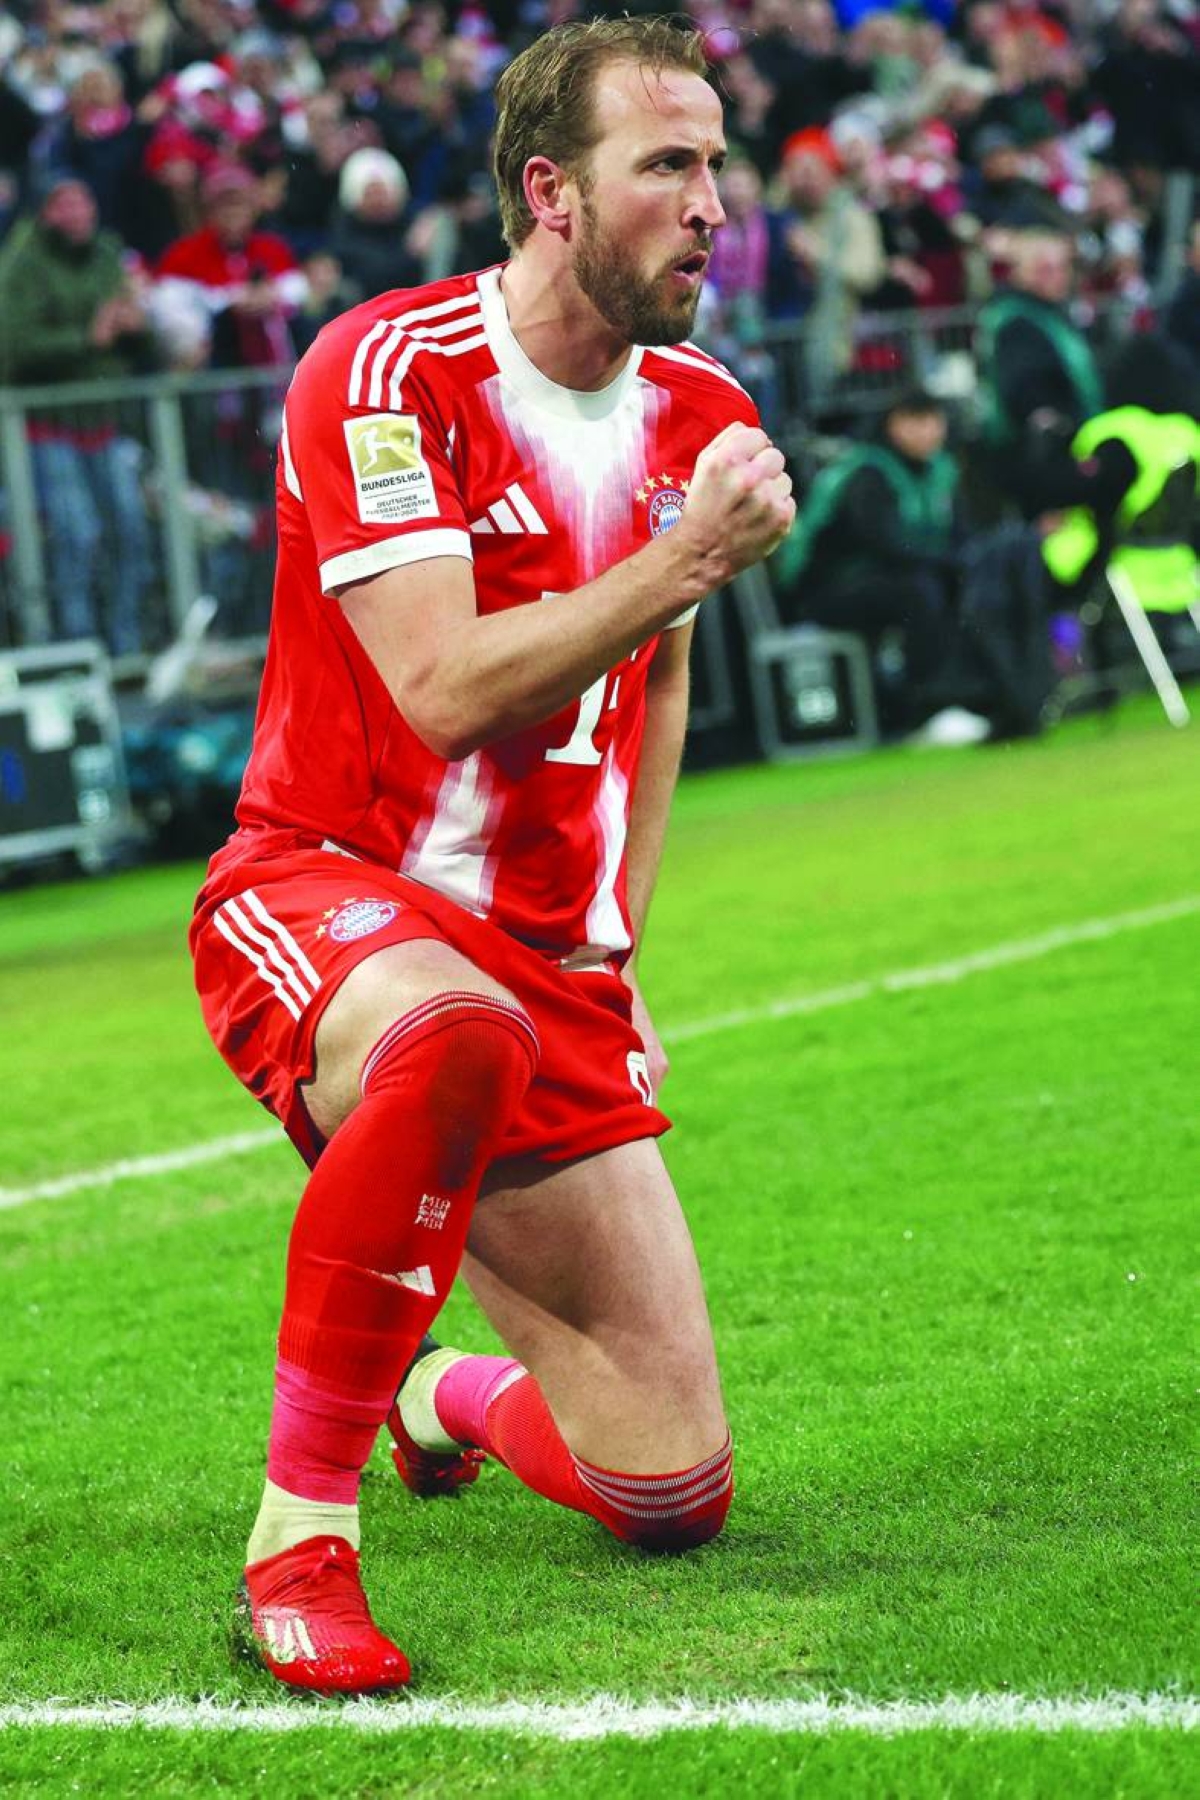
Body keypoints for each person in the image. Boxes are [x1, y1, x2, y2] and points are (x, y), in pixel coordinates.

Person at [189, 15, 794, 1697]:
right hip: (320, 895)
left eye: (718, 163)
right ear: (551, 192)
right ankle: (297, 1542)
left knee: (671, 1490)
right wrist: (683, 557)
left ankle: (427, 1389)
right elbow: (444, 688)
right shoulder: (388, 371)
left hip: (542, 964)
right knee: (457, 1033)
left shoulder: (701, 405)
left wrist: (618, 947)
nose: (712, 206)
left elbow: (657, 685)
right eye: (667, 165)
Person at [773, 389, 990, 742]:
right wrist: (950, 563)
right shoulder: (866, 472)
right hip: (825, 591)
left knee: (965, 581)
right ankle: (928, 708)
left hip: (890, 581)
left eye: (934, 421)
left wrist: (965, 561)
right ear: (895, 425)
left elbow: (959, 536)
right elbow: (884, 546)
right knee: (919, 592)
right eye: (917, 421)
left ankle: (975, 693)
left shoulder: (940, 470)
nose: (929, 431)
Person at [0, 175, 155, 655]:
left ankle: (126, 644)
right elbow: (13, 347)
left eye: (83, 200)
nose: (77, 212)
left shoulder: (107, 254)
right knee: (76, 536)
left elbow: (128, 339)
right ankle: (77, 647)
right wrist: (88, 337)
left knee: (129, 529)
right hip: (49, 424)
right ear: (45, 212)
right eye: (63, 203)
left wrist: (137, 327)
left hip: (102, 419)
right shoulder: (22, 263)